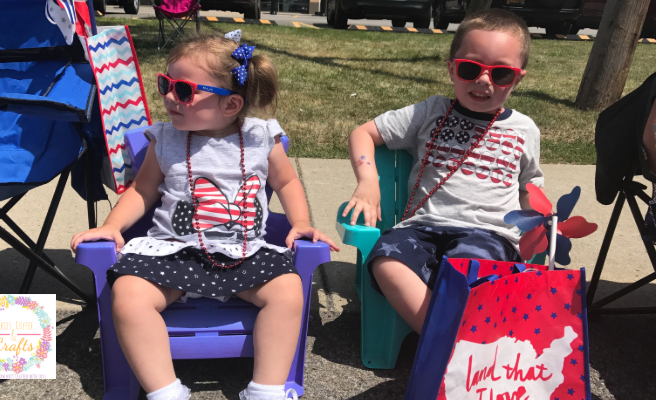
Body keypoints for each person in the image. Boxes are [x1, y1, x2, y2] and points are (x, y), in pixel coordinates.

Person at [71, 31, 339, 400]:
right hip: (174, 253)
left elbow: (288, 182)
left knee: (289, 290)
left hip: (244, 254)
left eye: (183, 91)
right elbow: (142, 190)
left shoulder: (262, 137)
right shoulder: (165, 138)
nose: (168, 97)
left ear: (230, 105)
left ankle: (267, 387)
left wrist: (301, 223)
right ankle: (164, 390)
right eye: (166, 83)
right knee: (129, 294)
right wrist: (111, 226)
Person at [342, 9, 544, 334]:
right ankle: (445, 341)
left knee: (471, 271)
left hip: (488, 235)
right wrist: (367, 180)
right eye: (470, 68)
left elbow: (529, 188)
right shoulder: (431, 111)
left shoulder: (524, 130)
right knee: (386, 262)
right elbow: (362, 133)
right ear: (452, 69)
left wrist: (543, 223)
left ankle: (445, 343)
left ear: (518, 78)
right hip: (422, 228)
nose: (483, 80)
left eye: (501, 74)